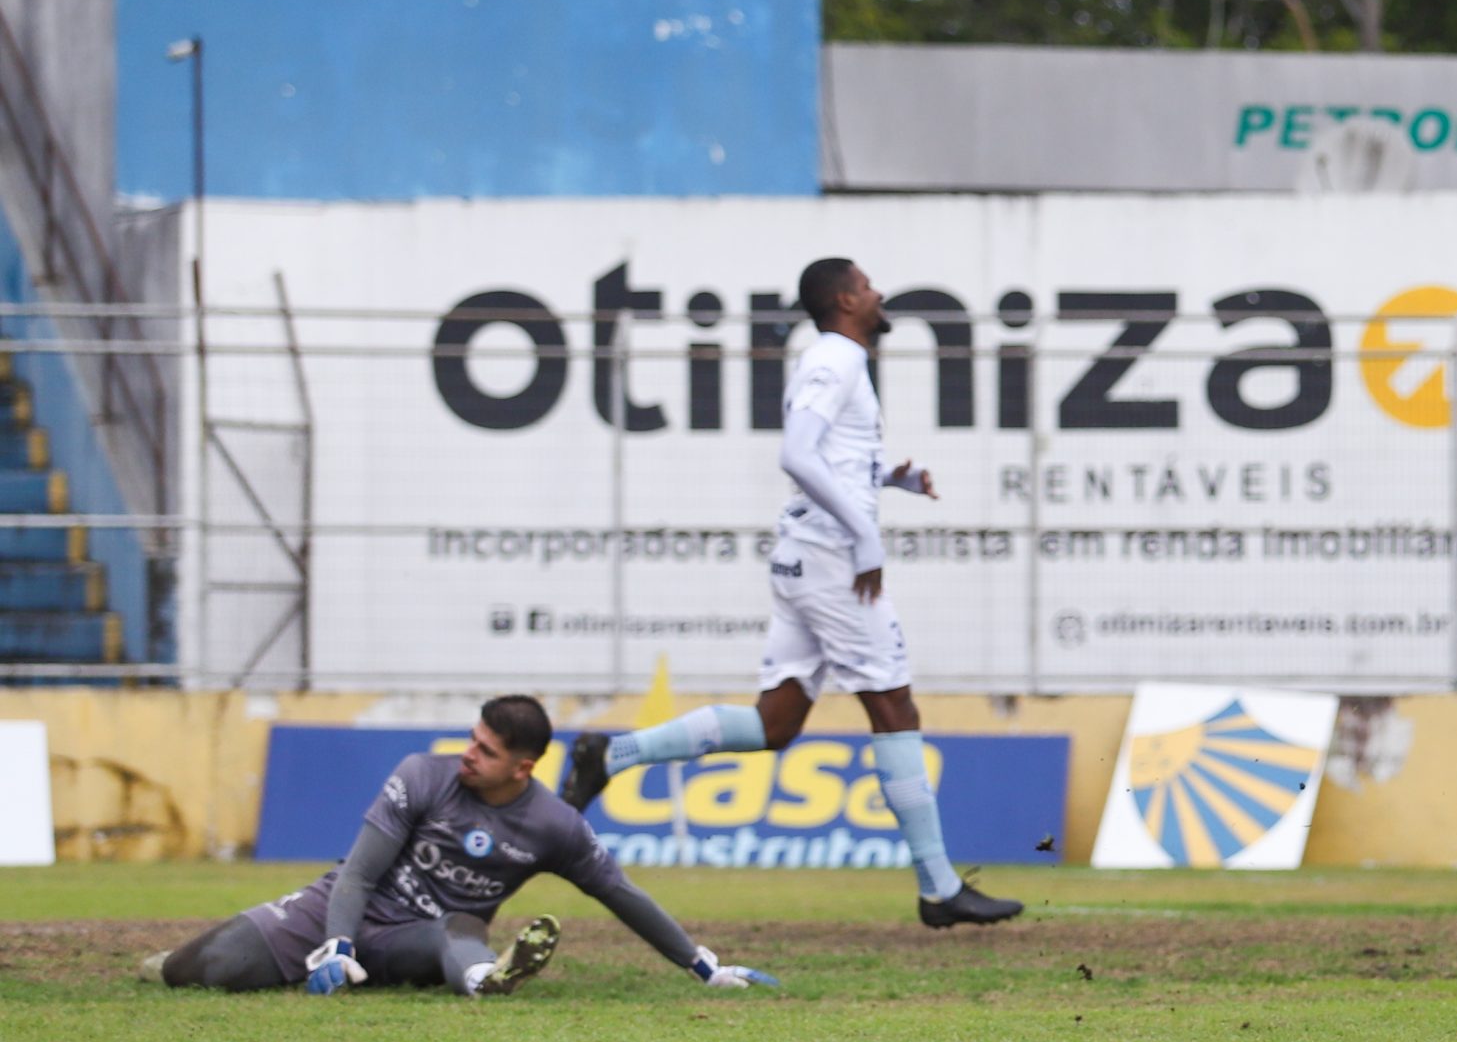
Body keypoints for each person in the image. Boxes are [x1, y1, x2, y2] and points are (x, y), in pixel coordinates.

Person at [560, 256, 1021, 929]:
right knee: (894, 707)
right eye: (867, 286)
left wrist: (890, 478)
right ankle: (939, 888)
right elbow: (797, 454)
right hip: (834, 563)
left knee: (775, 724)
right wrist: (865, 534)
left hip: (806, 556)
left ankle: (610, 754)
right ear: (844, 300)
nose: (879, 293)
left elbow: (828, 455)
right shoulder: (836, 358)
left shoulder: (838, 359)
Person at [144, 695, 776, 996]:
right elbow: (359, 874)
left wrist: (703, 966)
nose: (468, 754)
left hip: (421, 934)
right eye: (472, 739)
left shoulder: (554, 826)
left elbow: (623, 896)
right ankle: (314, 966)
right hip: (335, 912)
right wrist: (334, 944)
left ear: (522, 769)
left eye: (486, 750)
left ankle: (484, 979)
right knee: (203, 971)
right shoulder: (422, 773)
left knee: (456, 931)